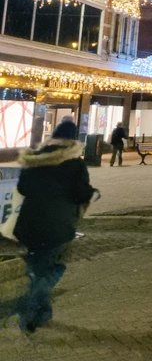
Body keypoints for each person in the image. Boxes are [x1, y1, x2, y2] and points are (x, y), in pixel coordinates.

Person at [13, 120, 97, 334]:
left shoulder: (34, 159)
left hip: (29, 224)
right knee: (53, 268)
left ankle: (42, 314)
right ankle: (31, 310)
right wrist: (91, 193)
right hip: (58, 226)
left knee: (38, 268)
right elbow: (81, 193)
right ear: (72, 140)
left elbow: (22, 188)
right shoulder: (74, 164)